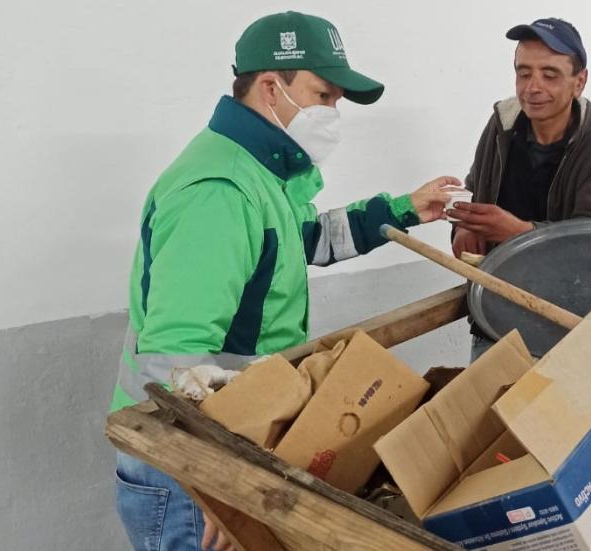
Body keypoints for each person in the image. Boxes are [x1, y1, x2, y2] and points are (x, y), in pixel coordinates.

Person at [109, 12, 457, 551]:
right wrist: (215, 486)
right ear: (272, 87)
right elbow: (174, 364)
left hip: (230, 440)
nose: (332, 113)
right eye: (324, 95)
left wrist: (405, 209)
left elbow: (308, 240)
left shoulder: (260, 171)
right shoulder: (218, 191)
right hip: (187, 471)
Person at [448, 17, 591, 360]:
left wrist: (517, 232)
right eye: (523, 72)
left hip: (562, 323)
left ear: (580, 82)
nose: (532, 87)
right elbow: (473, 190)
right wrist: (462, 227)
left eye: (549, 75)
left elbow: (589, 242)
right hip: (493, 314)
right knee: (486, 413)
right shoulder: (501, 124)